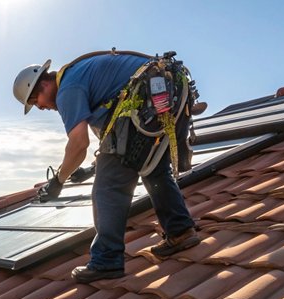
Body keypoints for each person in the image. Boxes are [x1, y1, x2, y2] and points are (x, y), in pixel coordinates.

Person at [13, 53, 200, 283]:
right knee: (153, 170)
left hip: (146, 102)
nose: (41, 108)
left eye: (35, 101)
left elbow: (79, 143)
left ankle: (106, 260)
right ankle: (180, 231)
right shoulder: (80, 75)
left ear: (43, 83)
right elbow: (108, 136)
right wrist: (90, 167)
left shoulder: (67, 90)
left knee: (107, 188)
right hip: (165, 98)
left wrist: (58, 181)